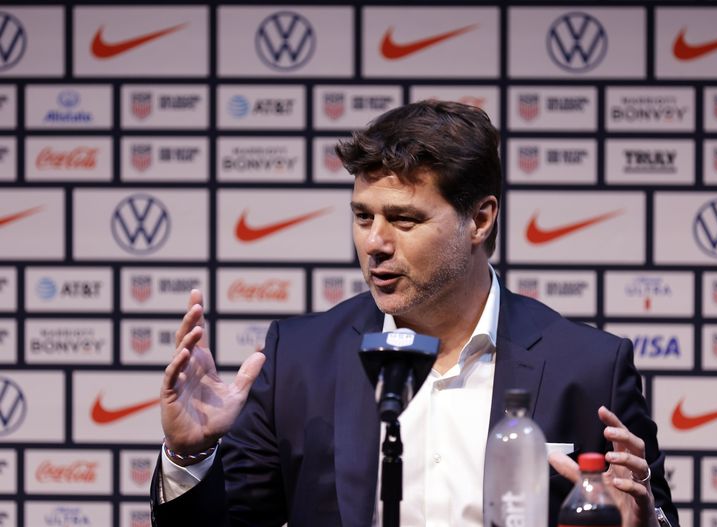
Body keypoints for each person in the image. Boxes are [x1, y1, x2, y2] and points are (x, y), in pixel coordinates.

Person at [151, 100, 678, 527]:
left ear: (480, 220)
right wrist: (188, 458)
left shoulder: (588, 367)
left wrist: (644, 525)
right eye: (363, 216)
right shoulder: (299, 359)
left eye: (404, 219)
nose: (374, 243)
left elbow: (653, 514)